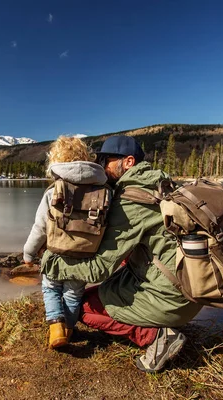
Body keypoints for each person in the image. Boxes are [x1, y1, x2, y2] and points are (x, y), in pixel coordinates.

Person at [40, 135, 203, 372]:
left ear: (128, 162)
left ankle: (157, 336)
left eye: (106, 161)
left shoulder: (132, 200)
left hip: (172, 298)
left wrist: (53, 264)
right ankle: (157, 315)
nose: (102, 168)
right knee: (107, 283)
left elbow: (98, 269)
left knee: (86, 307)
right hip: (188, 289)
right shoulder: (161, 184)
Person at [23, 136, 108, 349]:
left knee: (50, 288)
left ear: (56, 160)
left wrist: (28, 253)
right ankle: (69, 331)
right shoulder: (104, 191)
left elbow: (41, 227)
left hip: (56, 254)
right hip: (85, 255)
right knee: (73, 293)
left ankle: (56, 328)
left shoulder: (54, 191)